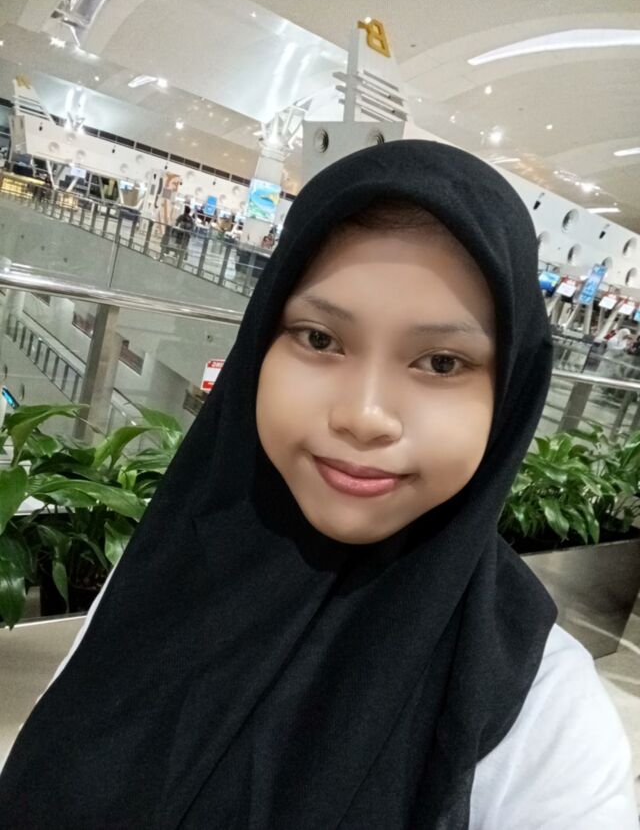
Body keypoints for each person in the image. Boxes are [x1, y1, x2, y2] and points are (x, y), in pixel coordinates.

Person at [0, 141, 636, 828]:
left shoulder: (540, 709)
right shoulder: (169, 566)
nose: (364, 415)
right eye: (320, 339)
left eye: (442, 362)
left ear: (508, 394)